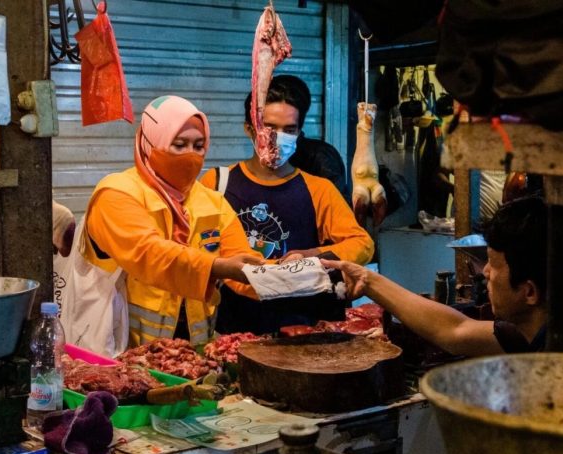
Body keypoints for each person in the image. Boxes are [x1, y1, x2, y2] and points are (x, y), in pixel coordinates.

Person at [67, 95, 262, 355]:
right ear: (150, 142)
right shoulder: (116, 194)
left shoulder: (212, 202)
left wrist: (295, 274)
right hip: (122, 352)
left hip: (192, 356)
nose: (190, 156)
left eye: (199, 145)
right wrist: (215, 267)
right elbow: (149, 253)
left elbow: (244, 265)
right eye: (179, 145)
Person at [199, 76, 374, 335]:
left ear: (299, 134)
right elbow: (199, 252)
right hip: (236, 331)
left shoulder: (319, 189)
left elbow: (362, 244)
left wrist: (310, 255)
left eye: (288, 130)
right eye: (268, 127)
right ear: (249, 129)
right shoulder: (216, 183)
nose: (277, 138)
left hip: (307, 330)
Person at [322, 196, 548, 355]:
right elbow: (454, 330)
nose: (485, 272)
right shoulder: (530, 332)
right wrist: (368, 280)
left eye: (494, 265)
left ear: (529, 292)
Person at [271, 75, 351, 204]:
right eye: (271, 127)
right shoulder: (264, 161)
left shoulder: (321, 157)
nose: (278, 136)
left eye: (289, 129)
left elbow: (338, 208)